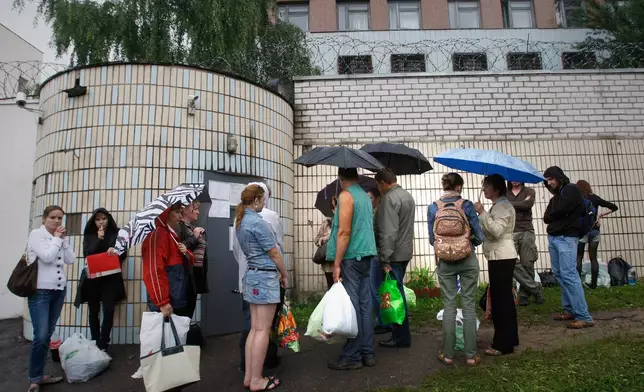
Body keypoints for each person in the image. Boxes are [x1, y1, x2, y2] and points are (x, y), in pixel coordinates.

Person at [236, 184, 288, 391]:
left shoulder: (241, 221)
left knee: (254, 329)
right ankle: (258, 380)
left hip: (251, 276)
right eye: (263, 198)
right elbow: (274, 253)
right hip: (266, 278)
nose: (265, 202)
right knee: (263, 331)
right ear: (256, 200)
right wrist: (284, 274)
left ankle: (249, 376)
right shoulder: (259, 222)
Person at [428, 173, 483, 366]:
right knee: (468, 305)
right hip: (467, 260)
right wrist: (466, 243)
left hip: (445, 261)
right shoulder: (467, 205)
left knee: (449, 306)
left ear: (444, 187)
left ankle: (448, 354)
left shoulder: (433, 207)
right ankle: (471, 355)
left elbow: (431, 239)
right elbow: (479, 236)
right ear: (459, 187)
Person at [326, 168, 378, 371]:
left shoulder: (346, 195)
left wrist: (337, 263)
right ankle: (367, 353)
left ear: (340, 178)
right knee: (365, 306)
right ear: (356, 177)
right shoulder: (365, 197)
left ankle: (352, 355)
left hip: (352, 257)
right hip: (366, 255)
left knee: (353, 306)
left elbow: (345, 231)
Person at [26, 205, 76, 392]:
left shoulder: (59, 238)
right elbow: (47, 257)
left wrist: (63, 241)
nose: (57, 221)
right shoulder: (36, 235)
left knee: (47, 334)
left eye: (60, 218)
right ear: (44, 219)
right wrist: (56, 239)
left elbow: (70, 259)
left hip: (58, 291)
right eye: (53, 217)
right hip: (40, 292)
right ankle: (34, 378)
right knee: (40, 335)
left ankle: (39, 375)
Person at [543, 166, 594, 329]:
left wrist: (554, 214)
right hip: (555, 237)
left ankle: (583, 316)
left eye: (551, 178)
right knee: (560, 273)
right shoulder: (556, 197)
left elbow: (559, 211)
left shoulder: (571, 189)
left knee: (569, 274)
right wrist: (554, 213)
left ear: (559, 177)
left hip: (566, 238)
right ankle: (569, 309)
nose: (549, 182)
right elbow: (546, 217)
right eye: (547, 180)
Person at [474, 174, 519, 356]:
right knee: (504, 300)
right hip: (499, 256)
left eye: (486, 186)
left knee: (501, 302)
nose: (484, 189)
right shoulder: (499, 205)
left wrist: (482, 213)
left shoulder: (502, 207)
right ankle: (511, 338)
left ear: (497, 189)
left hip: (501, 256)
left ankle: (502, 344)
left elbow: (497, 231)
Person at [74, 208, 127, 352]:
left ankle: (104, 341)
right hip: (93, 278)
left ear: (108, 219)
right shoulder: (90, 234)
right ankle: (95, 340)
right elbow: (87, 254)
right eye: (98, 219)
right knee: (93, 310)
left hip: (110, 278)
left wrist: (114, 251)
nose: (101, 222)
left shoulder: (116, 233)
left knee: (109, 309)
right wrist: (99, 239)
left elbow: (123, 254)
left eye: (103, 218)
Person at [374, 168, 415, 348]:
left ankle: (400, 337)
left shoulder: (388, 199)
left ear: (383, 183)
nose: (379, 189)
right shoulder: (407, 196)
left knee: (395, 296)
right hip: (404, 252)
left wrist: (384, 259)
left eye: (378, 185)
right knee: (397, 294)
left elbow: (388, 233)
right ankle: (400, 334)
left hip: (393, 255)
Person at [142, 203, 195, 318]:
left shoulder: (171, 235)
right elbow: (153, 270)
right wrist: (162, 302)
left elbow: (187, 261)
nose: (180, 216)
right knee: (164, 334)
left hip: (176, 299)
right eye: (176, 212)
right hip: (168, 303)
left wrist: (186, 252)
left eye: (181, 212)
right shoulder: (158, 235)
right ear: (165, 215)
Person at [575, 180, 618, 289]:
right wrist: (601, 215)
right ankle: (593, 284)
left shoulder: (577, 198)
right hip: (595, 231)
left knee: (578, 257)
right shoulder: (595, 198)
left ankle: (577, 284)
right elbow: (614, 207)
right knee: (593, 258)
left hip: (582, 231)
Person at [506, 182, 544, 306]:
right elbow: (501, 207)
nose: (515, 180)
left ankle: (524, 295)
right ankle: (535, 288)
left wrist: (509, 204)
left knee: (528, 263)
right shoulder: (504, 192)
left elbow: (528, 204)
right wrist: (521, 204)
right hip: (510, 231)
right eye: (512, 178)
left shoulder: (529, 191)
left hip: (527, 230)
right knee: (510, 262)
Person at [177, 200, 209, 319]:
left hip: (195, 276)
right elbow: (181, 248)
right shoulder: (179, 227)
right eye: (195, 209)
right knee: (183, 315)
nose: (198, 212)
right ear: (185, 210)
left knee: (188, 315)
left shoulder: (193, 228)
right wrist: (194, 236)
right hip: (185, 277)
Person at [366, 188, 389, 335]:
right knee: (378, 289)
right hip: (377, 255)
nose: (368, 201)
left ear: (377, 198)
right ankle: (383, 320)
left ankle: (383, 322)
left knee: (375, 290)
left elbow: (379, 235)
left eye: (370, 198)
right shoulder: (375, 213)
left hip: (377, 255)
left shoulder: (379, 213)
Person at [314, 207, 334, 290]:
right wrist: (326, 238)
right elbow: (317, 240)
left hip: (343, 263)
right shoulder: (326, 223)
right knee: (331, 288)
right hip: (329, 265)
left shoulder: (346, 222)